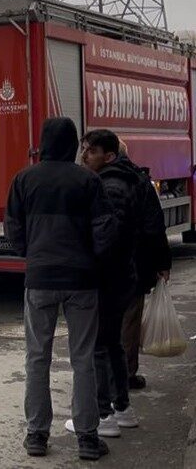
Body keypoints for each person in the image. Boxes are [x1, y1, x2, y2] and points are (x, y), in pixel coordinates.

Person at [5, 117, 116, 461]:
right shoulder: (88, 180)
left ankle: (37, 435)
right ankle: (86, 438)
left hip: (39, 279)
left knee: (37, 357)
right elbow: (105, 228)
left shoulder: (24, 179)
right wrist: (92, 259)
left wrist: (32, 253)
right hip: (82, 281)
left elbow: (12, 228)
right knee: (83, 359)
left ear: (42, 143)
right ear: (72, 146)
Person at [66, 129, 141, 438]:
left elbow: (108, 238)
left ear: (108, 156)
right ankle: (122, 408)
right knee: (111, 344)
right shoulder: (123, 180)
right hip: (121, 277)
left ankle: (103, 413)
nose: (84, 155)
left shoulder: (109, 187)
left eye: (91, 151)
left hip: (109, 280)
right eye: (83, 148)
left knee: (98, 346)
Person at [116, 140, 171, 391]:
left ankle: (103, 376)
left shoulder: (91, 180)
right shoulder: (140, 182)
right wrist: (162, 263)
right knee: (129, 321)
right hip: (134, 265)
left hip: (100, 268)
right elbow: (154, 226)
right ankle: (126, 374)